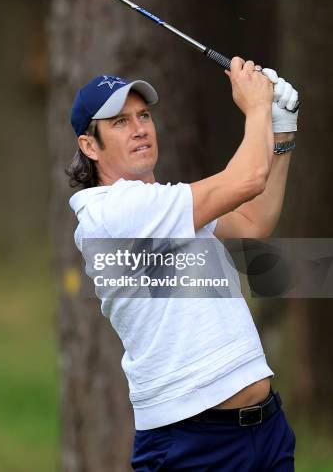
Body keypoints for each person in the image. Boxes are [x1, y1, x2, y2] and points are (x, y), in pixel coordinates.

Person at [67, 58, 298, 471]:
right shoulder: (113, 214)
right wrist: (258, 107)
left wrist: (280, 131)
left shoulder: (166, 203)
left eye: (144, 115)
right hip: (192, 443)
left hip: (264, 430)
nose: (139, 128)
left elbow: (252, 222)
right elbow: (247, 180)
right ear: (89, 146)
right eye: (119, 122)